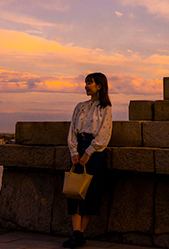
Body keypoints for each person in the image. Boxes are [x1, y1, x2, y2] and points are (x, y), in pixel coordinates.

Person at [62, 72, 112, 248]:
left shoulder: (105, 108)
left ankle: (79, 234)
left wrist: (89, 152)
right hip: (79, 148)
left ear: (99, 86)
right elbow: (72, 130)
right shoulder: (80, 107)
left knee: (91, 193)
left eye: (89, 83)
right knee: (74, 191)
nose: (86, 86)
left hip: (95, 152)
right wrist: (74, 152)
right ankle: (77, 233)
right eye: (85, 82)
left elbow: (104, 134)